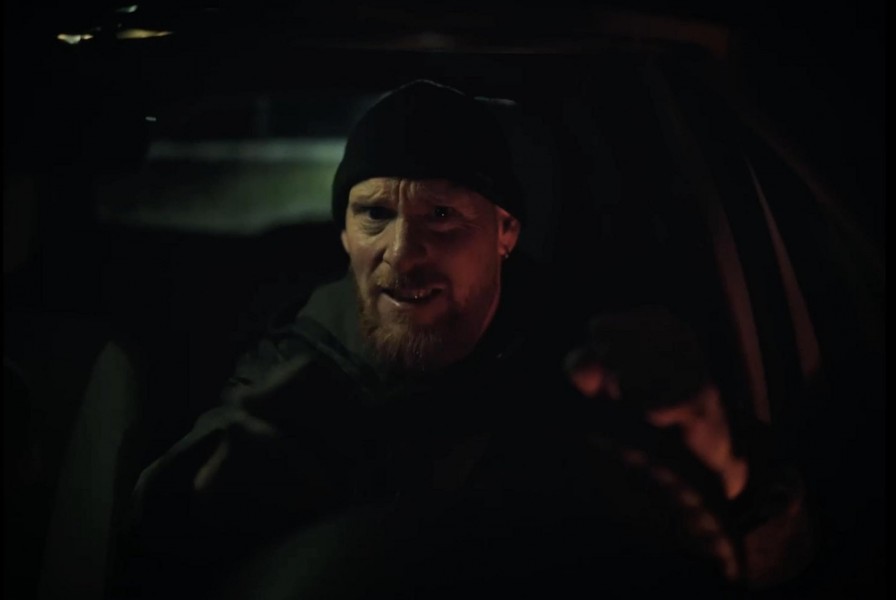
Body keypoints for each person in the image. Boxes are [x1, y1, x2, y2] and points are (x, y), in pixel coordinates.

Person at [115, 80, 812, 599]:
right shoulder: (294, 365)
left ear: (505, 233)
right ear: (344, 234)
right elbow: (156, 536)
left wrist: (728, 478)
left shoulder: (588, 362)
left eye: (442, 215)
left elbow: (777, 557)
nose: (401, 253)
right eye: (374, 214)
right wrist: (226, 491)